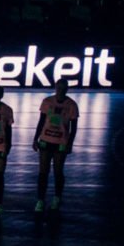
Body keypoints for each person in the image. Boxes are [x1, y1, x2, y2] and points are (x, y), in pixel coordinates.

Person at [33, 78, 79, 212]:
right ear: (55, 88)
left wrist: (70, 143)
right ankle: (40, 200)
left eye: (63, 89)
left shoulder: (71, 105)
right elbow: (41, 121)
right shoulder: (47, 102)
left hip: (61, 142)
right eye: (59, 88)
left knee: (58, 171)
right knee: (43, 171)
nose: (60, 91)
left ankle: (57, 198)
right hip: (46, 140)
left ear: (67, 89)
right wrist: (35, 138)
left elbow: (74, 128)